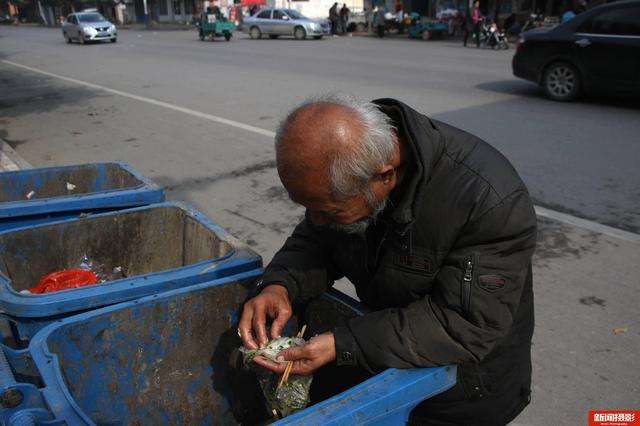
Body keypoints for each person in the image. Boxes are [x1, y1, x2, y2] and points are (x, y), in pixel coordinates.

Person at [239, 94, 537, 425]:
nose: (317, 220)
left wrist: (344, 342)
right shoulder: (346, 175)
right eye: (310, 208)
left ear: (384, 177)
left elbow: (465, 323)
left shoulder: (488, 200)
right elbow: (316, 239)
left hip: (465, 390)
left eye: (330, 212)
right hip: (389, 358)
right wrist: (279, 283)